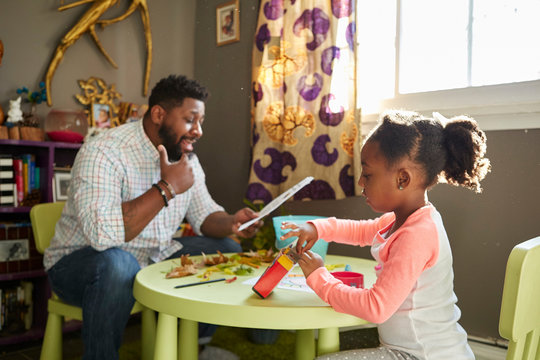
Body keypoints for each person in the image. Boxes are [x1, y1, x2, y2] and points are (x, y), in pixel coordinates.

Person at [43, 74, 262, 360]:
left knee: (228, 250)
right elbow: (102, 236)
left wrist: (233, 222)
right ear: (159, 114)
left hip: (151, 257)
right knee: (118, 263)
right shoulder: (104, 151)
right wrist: (166, 188)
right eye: (190, 119)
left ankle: (194, 347)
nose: (198, 131)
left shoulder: (185, 158)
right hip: (80, 265)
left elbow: (205, 215)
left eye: (201, 121)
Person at [280, 110, 491, 360]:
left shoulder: (417, 234)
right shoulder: (401, 220)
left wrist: (319, 277)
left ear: (403, 178)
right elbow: (362, 231)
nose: (360, 181)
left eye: (367, 174)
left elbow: (375, 307)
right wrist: (319, 228)